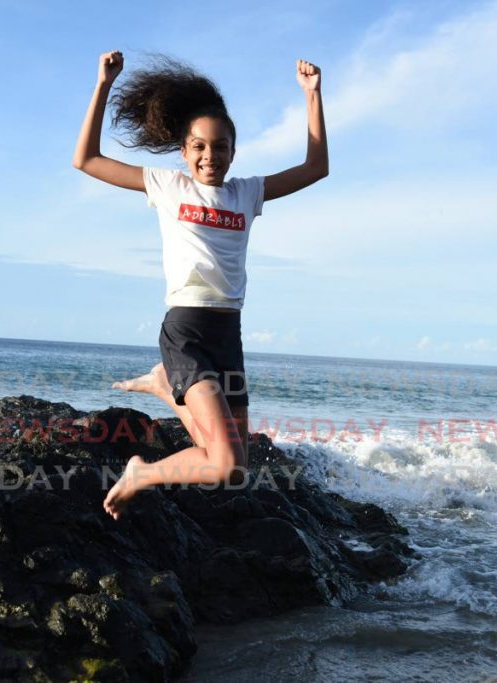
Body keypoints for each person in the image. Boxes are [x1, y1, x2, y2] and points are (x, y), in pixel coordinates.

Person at [72, 50, 328, 520]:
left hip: (228, 335)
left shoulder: (246, 193)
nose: (211, 156)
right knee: (223, 461)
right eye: (200, 147)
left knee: (235, 467)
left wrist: (313, 96)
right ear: (185, 151)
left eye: (221, 147)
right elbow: (86, 159)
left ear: (234, 150)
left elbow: (315, 168)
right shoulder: (168, 187)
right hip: (187, 330)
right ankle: (141, 473)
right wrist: (103, 85)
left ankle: (163, 387)